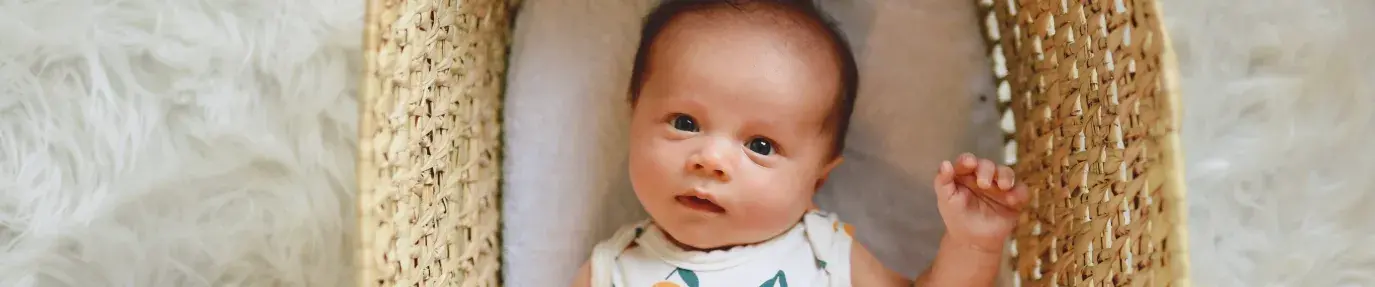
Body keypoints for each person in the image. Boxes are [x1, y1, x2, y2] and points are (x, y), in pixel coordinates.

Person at [572, 0, 1029, 285]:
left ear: (816, 180)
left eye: (762, 146)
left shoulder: (821, 249)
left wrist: (972, 243)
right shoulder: (611, 270)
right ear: (634, 120)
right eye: (685, 122)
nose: (710, 159)